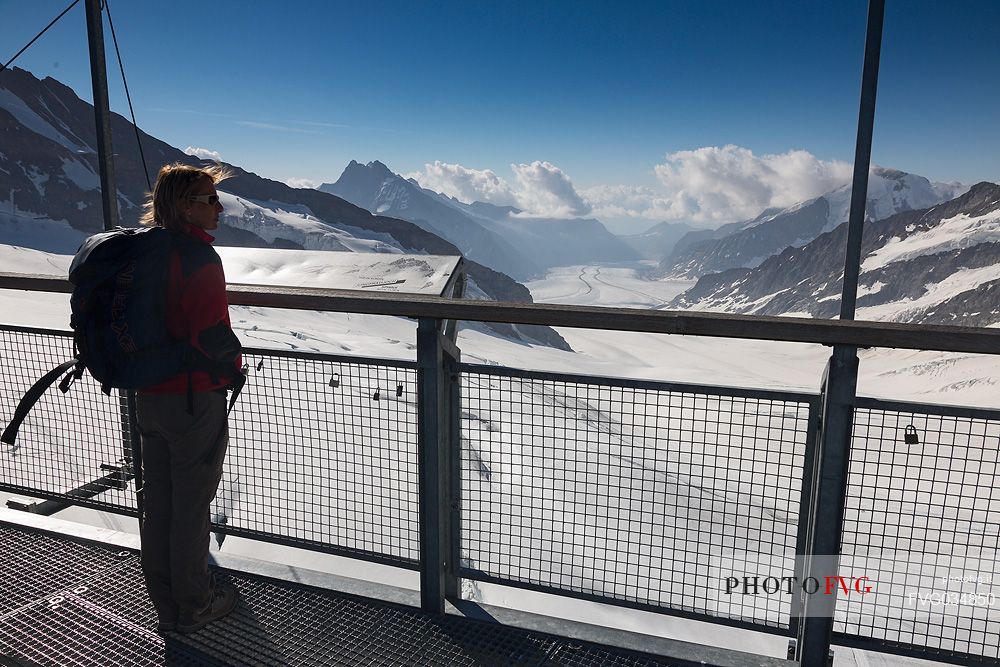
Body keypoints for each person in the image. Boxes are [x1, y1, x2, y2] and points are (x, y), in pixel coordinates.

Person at [135, 162, 242, 634]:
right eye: (209, 199)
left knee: (159, 499)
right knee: (192, 505)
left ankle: (164, 595)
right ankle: (195, 603)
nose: (219, 207)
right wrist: (233, 366)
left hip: (149, 394)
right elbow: (208, 332)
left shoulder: (143, 251)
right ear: (184, 206)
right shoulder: (199, 258)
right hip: (193, 398)